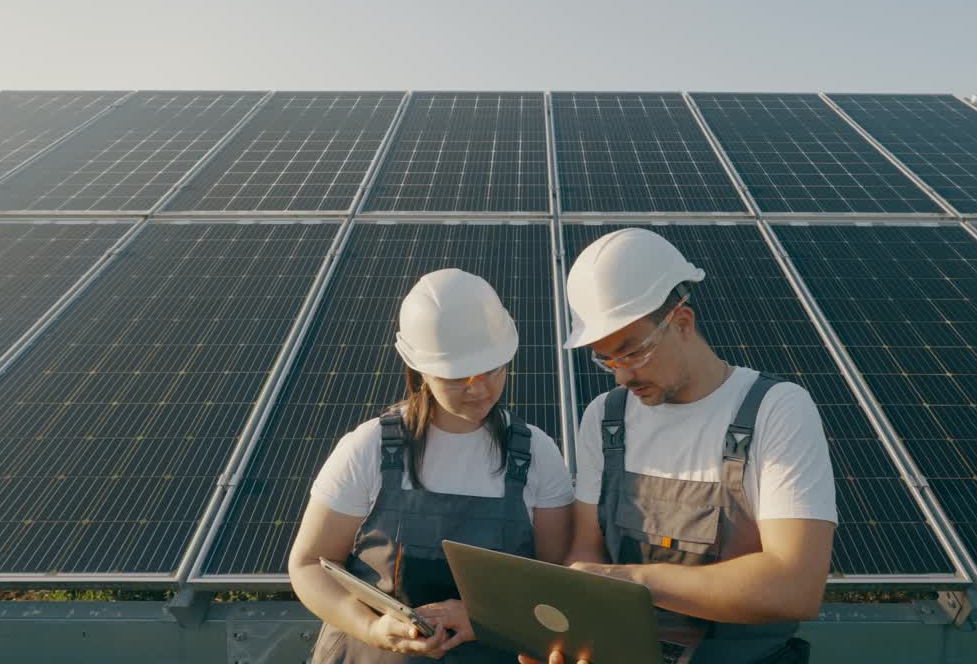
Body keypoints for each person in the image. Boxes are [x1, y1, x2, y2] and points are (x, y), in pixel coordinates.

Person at [542, 228, 837, 664]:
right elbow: (587, 547)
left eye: (632, 352)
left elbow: (795, 586)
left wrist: (631, 581)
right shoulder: (605, 419)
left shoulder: (776, 411)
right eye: (607, 360)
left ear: (682, 322)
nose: (622, 376)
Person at [290, 268, 575, 663]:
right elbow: (308, 565)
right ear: (419, 368)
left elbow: (558, 586)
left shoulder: (538, 455)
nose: (479, 388)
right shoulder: (368, 447)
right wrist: (372, 628)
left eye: (492, 369)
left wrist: (487, 617)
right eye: (457, 376)